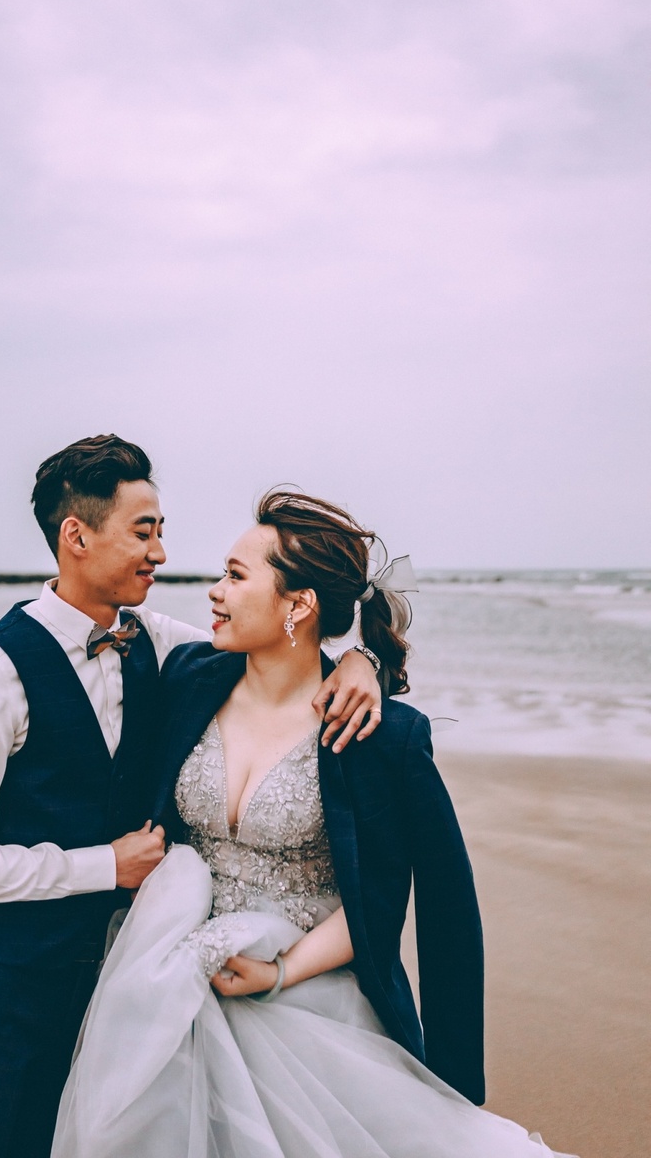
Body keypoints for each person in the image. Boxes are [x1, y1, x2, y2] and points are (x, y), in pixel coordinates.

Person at [50, 489, 577, 1158]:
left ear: (298, 604)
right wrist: (365, 657)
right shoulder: (186, 676)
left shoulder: (379, 736)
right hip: (168, 988)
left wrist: (280, 973)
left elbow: (408, 899)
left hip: (305, 1001)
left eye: (235, 576)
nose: (214, 591)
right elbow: (80, 647)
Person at [0, 441, 382, 1158]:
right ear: (77, 535)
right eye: (144, 531)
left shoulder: (155, 644)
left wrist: (362, 661)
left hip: (107, 995)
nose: (161, 552)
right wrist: (106, 866)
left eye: (161, 530)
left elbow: (279, 645)